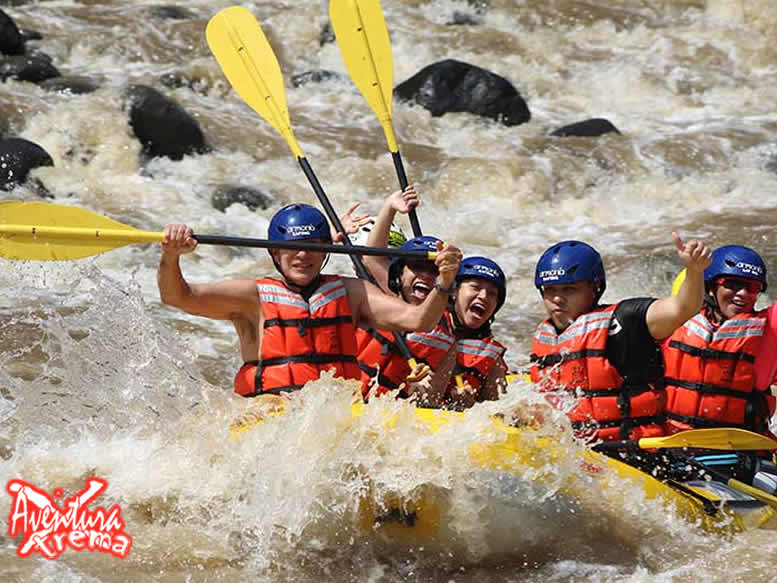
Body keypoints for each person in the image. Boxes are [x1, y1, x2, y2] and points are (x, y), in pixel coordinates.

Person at [157, 202, 462, 398]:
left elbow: (419, 320)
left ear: (326, 250)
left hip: (332, 419)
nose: (303, 255)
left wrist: (445, 281)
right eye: (294, 247)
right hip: (269, 413)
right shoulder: (252, 296)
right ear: (275, 252)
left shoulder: (352, 292)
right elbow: (176, 296)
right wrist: (171, 257)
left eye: (314, 246)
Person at [529, 234, 712, 442]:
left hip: (631, 451)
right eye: (549, 290)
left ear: (595, 288)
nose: (557, 299)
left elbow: (681, 308)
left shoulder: (625, 321)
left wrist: (694, 271)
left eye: (569, 289)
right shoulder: (546, 336)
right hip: (573, 450)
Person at [662, 245, 776, 436]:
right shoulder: (674, 321)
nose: (743, 293)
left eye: (753, 288)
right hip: (672, 441)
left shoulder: (768, 331)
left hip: (740, 444)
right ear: (710, 287)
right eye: (732, 284)